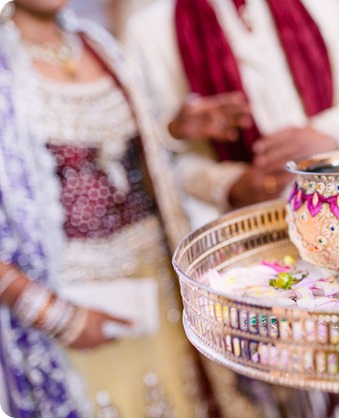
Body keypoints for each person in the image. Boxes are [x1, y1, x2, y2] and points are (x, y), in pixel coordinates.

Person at [0, 1, 258, 416]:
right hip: (71, 302)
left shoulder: (98, 45)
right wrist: (53, 315)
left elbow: (137, 161)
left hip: (157, 286)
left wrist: (172, 130)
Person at [124, 0, 339, 230]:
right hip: (245, 232)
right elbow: (164, 162)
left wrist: (325, 136)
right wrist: (232, 185)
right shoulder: (150, 28)